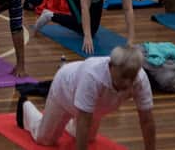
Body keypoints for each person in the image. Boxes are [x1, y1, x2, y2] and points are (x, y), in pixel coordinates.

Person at [17, 45, 155, 150]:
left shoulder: (140, 79)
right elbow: (84, 121)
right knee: (45, 140)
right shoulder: (93, 76)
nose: (128, 83)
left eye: (131, 77)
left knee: (87, 138)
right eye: (123, 76)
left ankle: (70, 124)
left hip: (94, 107)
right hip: (64, 93)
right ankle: (26, 108)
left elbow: (147, 120)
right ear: (111, 66)